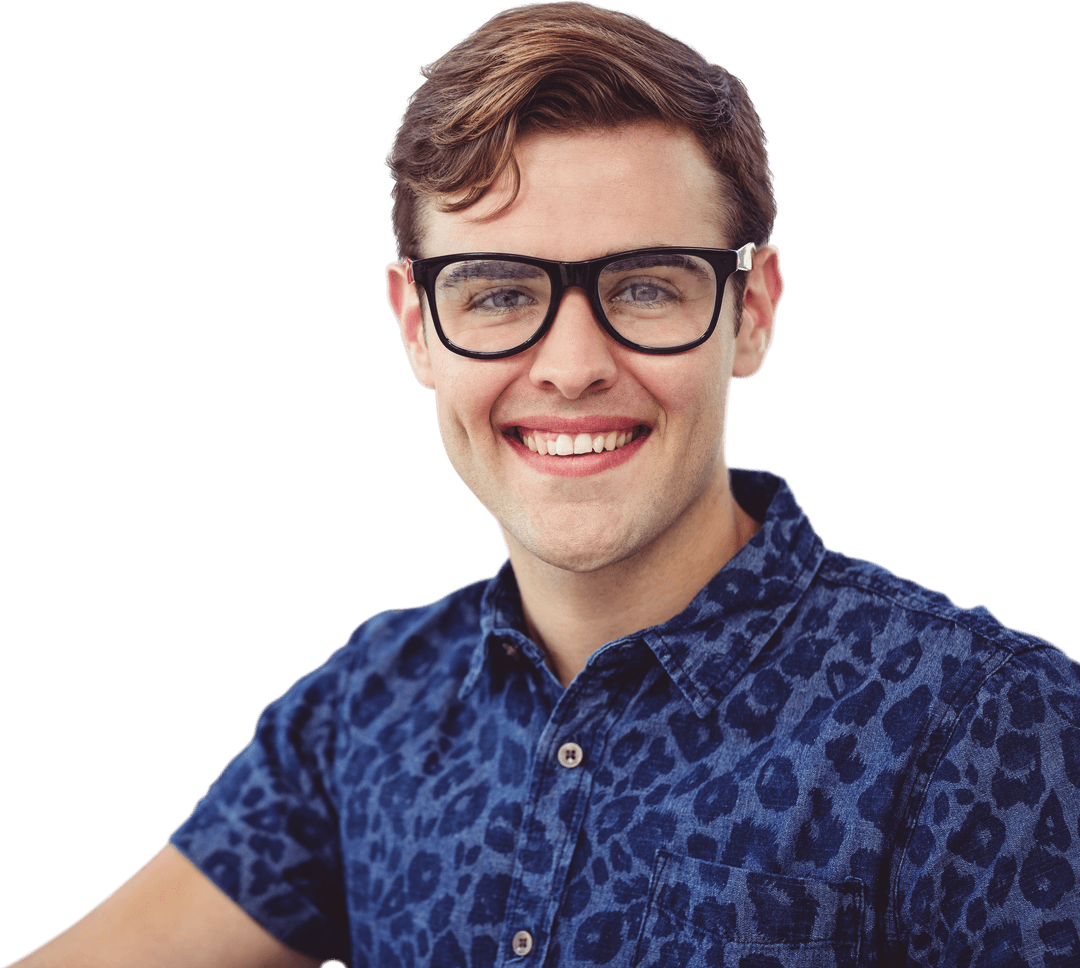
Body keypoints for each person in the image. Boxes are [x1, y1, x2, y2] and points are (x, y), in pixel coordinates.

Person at [10, 3, 1078, 966]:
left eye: (647, 285)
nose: (570, 365)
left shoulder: (988, 723)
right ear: (417, 324)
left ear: (751, 313)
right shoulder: (366, 709)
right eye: (497, 292)